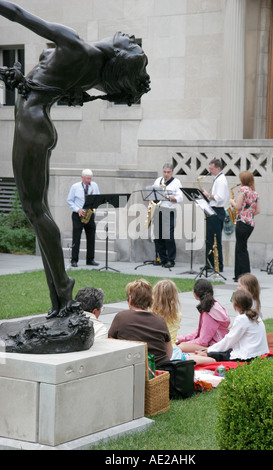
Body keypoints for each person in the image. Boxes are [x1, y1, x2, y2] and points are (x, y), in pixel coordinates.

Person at [0, 1, 150, 318]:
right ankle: (59, 296)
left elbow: (18, 14)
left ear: (119, 54)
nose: (128, 35)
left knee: (35, 210)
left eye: (130, 43)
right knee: (36, 211)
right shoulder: (92, 68)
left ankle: (63, 287)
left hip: (32, 124)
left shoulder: (75, 45)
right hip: (37, 122)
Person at [108, 279, 173, 367]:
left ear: (130, 299)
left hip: (131, 369)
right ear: (150, 300)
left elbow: (111, 346)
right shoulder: (160, 320)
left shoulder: (121, 317)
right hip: (158, 371)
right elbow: (169, 352)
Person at [152, 279, 214, 365]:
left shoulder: (151, 314)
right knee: (212, 360)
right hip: (173, 351)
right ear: (174, 297)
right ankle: (187, 359)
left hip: (159, 352)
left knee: (189, 351)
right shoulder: (177, 315)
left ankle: (188, 357)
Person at [202, 289, 269, 362]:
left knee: (214, 354)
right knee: (224, 351)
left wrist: (209, 350)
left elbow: (229, 340)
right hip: (259, 353)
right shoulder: (255, 315)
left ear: (235, 305)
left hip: (248, 357)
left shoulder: (242, 319)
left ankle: (201, 355)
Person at [176, 279, 230, 353]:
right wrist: (182, 338)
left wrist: (185, 343)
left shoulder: (208, 311)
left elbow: (203, 341)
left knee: (180, 347)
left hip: (217, 346)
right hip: (219, 343)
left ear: (195, 294)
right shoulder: (214, 305)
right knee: (180, 342)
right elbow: (201, 331)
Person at [229, 171, 260, 281]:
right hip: (250, 223)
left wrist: (232, 201)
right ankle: (238, 275)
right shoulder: (254, 193)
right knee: (240, 247)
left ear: (243, 180)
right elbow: (257, 211)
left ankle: (245, 276)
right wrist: (248, 211)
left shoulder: (243, 190)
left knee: (241, 249)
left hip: (242, 222)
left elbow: (237, 206)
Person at [67, 169, 100, 267]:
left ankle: (90, 259)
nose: (89, 181)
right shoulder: (75, 187)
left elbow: (97, 197)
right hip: (78, 215)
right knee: (76, 238)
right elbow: (69, 201)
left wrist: (93, 207)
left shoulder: (94, 186)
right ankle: (74, 260)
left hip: (89, 214)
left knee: (91, 237)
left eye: (90, 178)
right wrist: (78, 210)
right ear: (82, 177)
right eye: (87, 178)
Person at [152, 163, 183, 268]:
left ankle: (171, 260)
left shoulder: (176, 182)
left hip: (169, 210)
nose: (166, 174)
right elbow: (151, 194)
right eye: (164, 172)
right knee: (157, 236)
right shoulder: (158, 181)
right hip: (157, 209)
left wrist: (167, 197)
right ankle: (163, 259)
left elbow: (180, 198)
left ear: (172, 172)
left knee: (168, 236)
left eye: (168, 172)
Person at [202, 158, 229, 272]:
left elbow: (219, 198)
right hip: (213, 210)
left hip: (217, 211)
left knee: (215, 240)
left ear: (218, 168)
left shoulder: (221, 180)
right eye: (209, 168)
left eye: (212, 169)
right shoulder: (217, 179)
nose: (210, 171)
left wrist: (208, 195)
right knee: (209, 239)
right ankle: (210, 263)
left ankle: (217, 265)